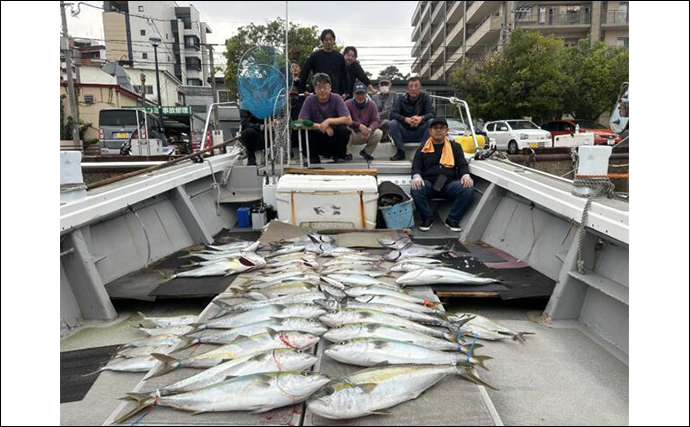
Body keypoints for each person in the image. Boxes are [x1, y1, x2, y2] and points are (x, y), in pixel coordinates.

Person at [410, 117, 474, 232]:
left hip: (449, 184)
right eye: (435, 128)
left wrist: (465, 175)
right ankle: (427, 219)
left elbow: (463, 165)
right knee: (416, 188)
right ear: (430, 131)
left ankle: (452, 219)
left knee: (467, 188)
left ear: (447, 130)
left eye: (442, 128)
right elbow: (416, 167)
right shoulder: (423, 148)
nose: (438, 130)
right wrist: (417, 177)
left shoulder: (455, 147)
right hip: (429, 184)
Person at [298, 73, 352, 164]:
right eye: (318, 87)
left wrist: (329, 121)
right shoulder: (309, 100)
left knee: (344, 129)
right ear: (314, 89)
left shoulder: (337, 98)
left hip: (333, 138)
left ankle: (339, 156)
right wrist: (320, 126)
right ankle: (312, 157)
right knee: (303, 130)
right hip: (318, 138)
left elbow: (348, 120)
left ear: (330, 87)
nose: (322, 90)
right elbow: (301, 121)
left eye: (325, 87)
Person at [388, 76, 435, 161]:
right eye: (411, 86)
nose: (413, 89)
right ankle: (401, 151)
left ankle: (422, 151)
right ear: (407, 88)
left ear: (420, 88)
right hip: (405, 133)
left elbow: (432, 113)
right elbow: (393, 114)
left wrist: (421, 118)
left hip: (421, 133)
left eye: (416, 86)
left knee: (431, 122)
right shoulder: (401, 99)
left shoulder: (425, 98)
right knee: (392, 123)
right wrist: (406, 119)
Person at [299, 29, 349, 96]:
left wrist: (345, 92)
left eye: (331, 39)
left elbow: (345, 76)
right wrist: (303, 89)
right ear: (322, 41)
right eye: (326, 40)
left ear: (334, 41)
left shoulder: (339, 57)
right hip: (318, 93)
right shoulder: (315, 56)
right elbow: (304, 72)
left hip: (334, 93)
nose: (329, 42)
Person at [345, 82, 382, 161]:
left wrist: (370, 129)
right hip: (352, 133)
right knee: (344, 128)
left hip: (366, 133)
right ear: (353, 94)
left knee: (379, 133)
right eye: (358, 94)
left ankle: (366, 152)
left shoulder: (372, 104)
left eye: (362, 94)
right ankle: (347, 153)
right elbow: (345, 119)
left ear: (366, 94)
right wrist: (359, 125)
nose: (360, 96)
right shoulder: (347, 104)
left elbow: (376, 120)